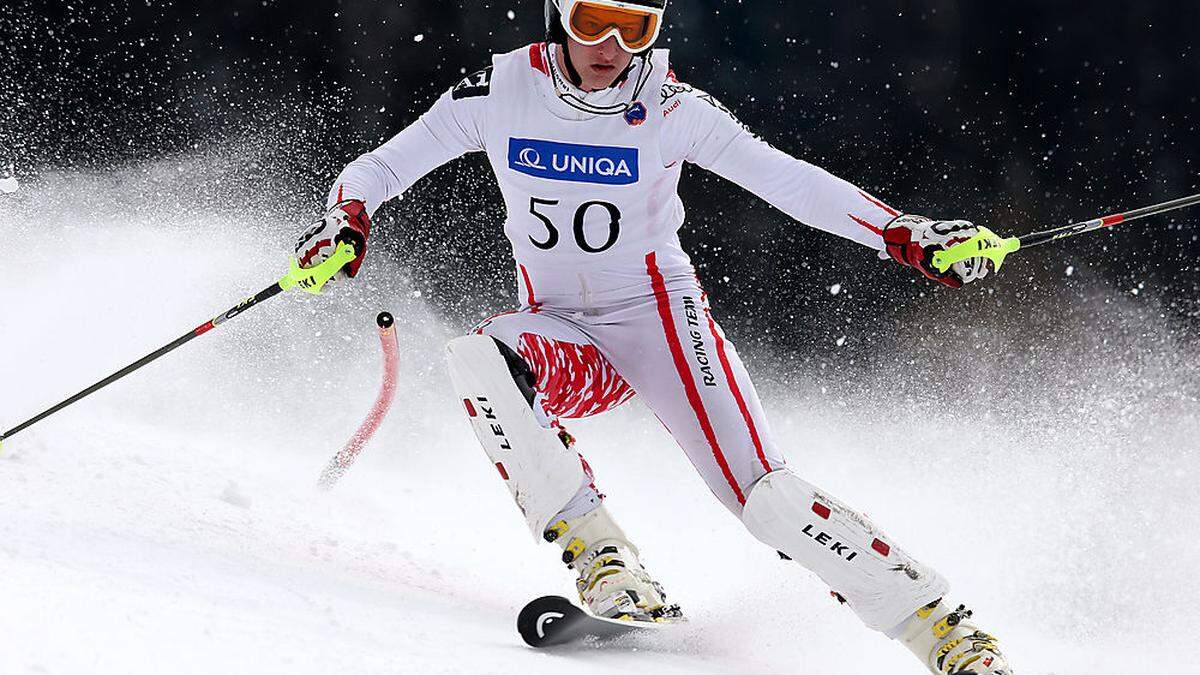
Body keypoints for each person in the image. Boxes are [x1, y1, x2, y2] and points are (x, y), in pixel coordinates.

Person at [296, 1, 1012, 672]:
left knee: (761, 494)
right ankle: (605, 559)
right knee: (479, 356)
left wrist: (899, 232)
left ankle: (945, 628)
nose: (611, 47)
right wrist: (345, 218)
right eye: (595, 21)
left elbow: (789, 182)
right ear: (559, 16)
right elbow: (384, 165)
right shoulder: (500, 90)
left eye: (634, 29)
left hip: (662, 324)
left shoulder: (671, 106)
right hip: (565, 337)